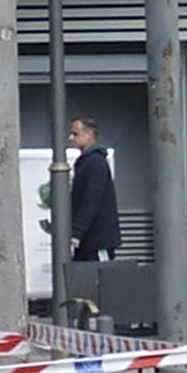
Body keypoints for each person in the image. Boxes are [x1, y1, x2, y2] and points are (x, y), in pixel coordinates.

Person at [61, 116, 124, 322]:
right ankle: (88, 319)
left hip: (97, 238)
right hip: (88, 238)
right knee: (85, 281)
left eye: (75, 133)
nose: (71, 138)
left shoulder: (95, 163)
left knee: (102, 279)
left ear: (89, 136)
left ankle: (108, 320)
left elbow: (92, 200)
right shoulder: (88, 162)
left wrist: (77, 232)